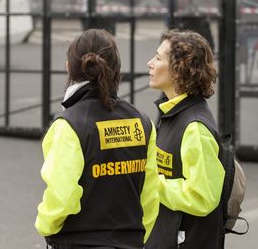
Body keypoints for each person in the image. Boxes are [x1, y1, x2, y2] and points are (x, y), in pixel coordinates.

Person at [35, 29, 159, 249]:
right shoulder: (142, 121)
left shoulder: (68, 125)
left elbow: (61, 197)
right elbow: (150, 195)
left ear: (69, 67)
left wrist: (46, 227)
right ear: (116, 68)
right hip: (131, 242)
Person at [145, 29, 225, 249]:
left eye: (158, 58)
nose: (150, 63)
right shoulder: (173, 113)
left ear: (180, 69)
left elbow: (202, 197)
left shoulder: (195, 127)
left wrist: (151, 182)